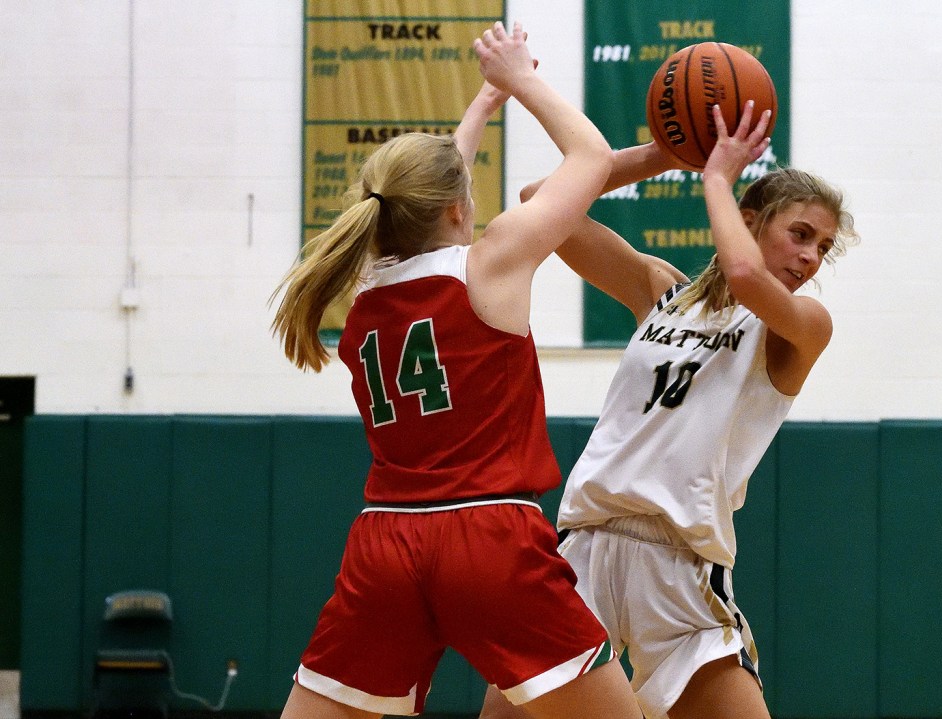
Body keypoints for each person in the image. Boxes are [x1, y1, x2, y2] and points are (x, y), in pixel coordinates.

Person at [270, 20, 642, 719]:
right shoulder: (491, 262)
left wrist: (482, 105)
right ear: (457, 209)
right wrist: (518, 80)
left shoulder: (366, 291)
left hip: (385, 543)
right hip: (488, 537)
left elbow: (423, 203)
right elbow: (590, 156)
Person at [479, 102, 858, 719]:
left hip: (680, 563)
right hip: (586, 546)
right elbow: (540, 200)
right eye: (800, 234)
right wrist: (661, 156)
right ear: (750, 221)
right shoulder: (662, 292)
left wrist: (716, 178)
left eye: (824, 246)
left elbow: (744, 272)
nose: (812, 257)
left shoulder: (803, 325)